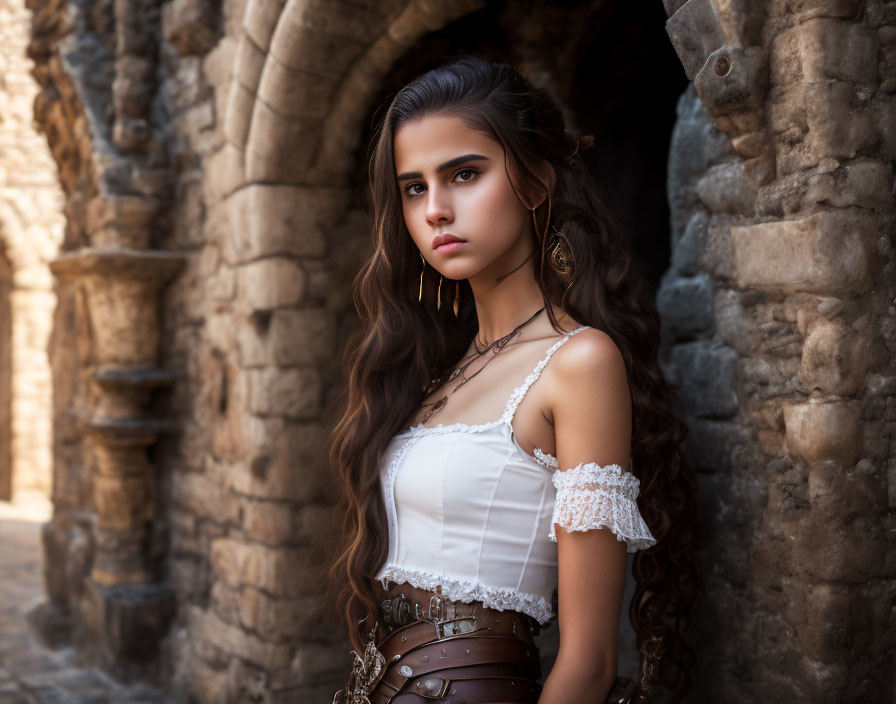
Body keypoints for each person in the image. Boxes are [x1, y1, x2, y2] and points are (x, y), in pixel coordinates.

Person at [328, 55, 702, 704]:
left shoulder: (578, 362)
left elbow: (587, 662)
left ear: (535, 183)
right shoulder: (447, 366)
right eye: (413, 187)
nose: (436, 210)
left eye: (465, 174)